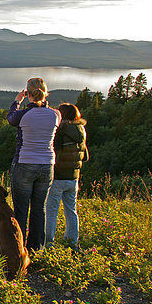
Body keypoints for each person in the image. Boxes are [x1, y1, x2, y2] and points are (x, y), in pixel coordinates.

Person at [7, 77, 61, 251]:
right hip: (47, 166)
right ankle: (36, 249)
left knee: (21, 210)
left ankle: (19, 248)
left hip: (24, 164)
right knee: (39, 209)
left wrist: (17, 101)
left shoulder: (23, 115)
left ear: (28, 94)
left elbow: (11, 118)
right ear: (45, 94)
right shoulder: (56, 115)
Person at [45, 103, 89, 250]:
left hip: (58, 178)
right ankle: (73, 243)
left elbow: (54, 154)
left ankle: (49, 243)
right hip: (74, 178)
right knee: (71, 210)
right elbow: (86, 157)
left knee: (51, 211)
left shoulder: (60, 131)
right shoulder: (81, 130)